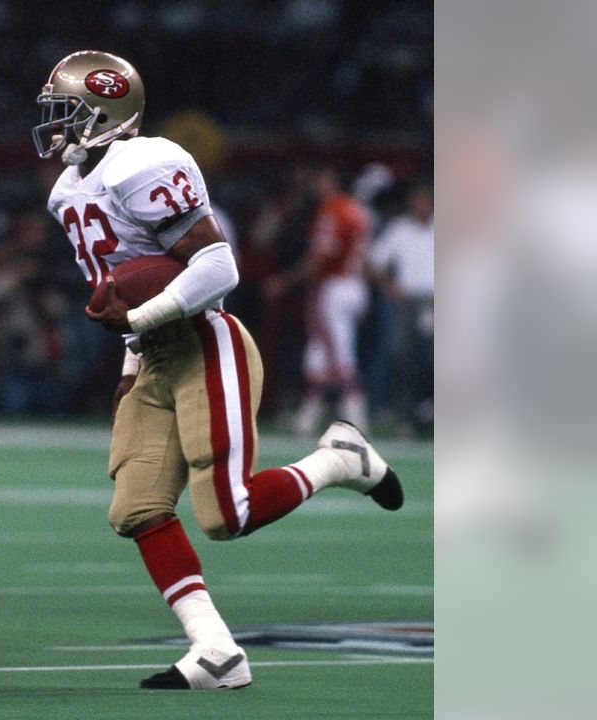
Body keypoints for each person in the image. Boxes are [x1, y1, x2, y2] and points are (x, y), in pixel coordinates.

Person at [34, 50, 404, 690]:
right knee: (137, 507)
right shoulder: (69, 191)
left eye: (69, 113)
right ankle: (216, 651)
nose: (56, 126)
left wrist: (142, 321)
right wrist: (130, 361)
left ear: (108, 115)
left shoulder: (145, 162)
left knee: (226, 514)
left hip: (207, 340)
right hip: (153, 354)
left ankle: (341, 459)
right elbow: (121, 289)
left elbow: (218, 267)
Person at [267, 167, 373, 435]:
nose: (318, 184)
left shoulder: (331, 210)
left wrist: (286, 281)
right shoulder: (358, 210)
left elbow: (320, 258)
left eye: (322, 179)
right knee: (318, 355)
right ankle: (307, 418)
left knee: (338, 354)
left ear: (333, 181)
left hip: (333, 288)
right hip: (353, 283)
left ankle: (356, 418)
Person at [369, 183, 434, 433]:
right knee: (403, 356)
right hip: (408, 302)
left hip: (438, 301)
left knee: (435, 359)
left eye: (426, 200)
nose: (422, 205)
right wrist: (389, 287)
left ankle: (430, 411)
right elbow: (374, 262)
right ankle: (406, 415)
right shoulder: (399, 229)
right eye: (417, 200)